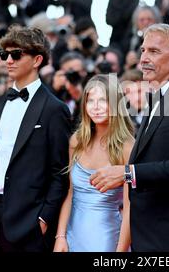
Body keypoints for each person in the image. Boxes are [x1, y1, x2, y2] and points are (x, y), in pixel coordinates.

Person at [89, 23, 169, 251]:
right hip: (150, 234)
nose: (144, 59)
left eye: (154, 51)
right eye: (143, 50)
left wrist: (127, 173)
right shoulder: (159, 97)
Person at [0, 25, 72, 252]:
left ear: (37, 60)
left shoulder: (55, 110)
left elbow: (60, 172)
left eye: (16, 54)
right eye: (4, 54)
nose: (8, 60)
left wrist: (44, 219)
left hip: (29, 223)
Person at [53, 74, 134, 252]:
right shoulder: (77, 141)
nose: (95, 107)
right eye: (90, 101)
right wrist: (60, 236)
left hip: (107, 238)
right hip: (72, 233)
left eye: (103, 100)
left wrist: (120, 251)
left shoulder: (127, 147)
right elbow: (69, 193)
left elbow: (129, 208)